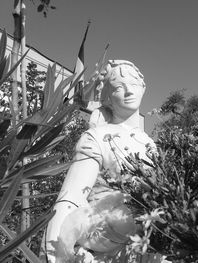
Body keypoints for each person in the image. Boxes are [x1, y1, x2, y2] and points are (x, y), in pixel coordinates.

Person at [41, 60, 158, 263]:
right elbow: (73, 195)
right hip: (107, 239)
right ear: (108, 98)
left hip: (149, 238)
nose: (129, 91)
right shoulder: (96, 137)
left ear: (144, 88)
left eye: (134, 84)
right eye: (118, 87)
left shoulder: (150, 143)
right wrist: (55, 251)